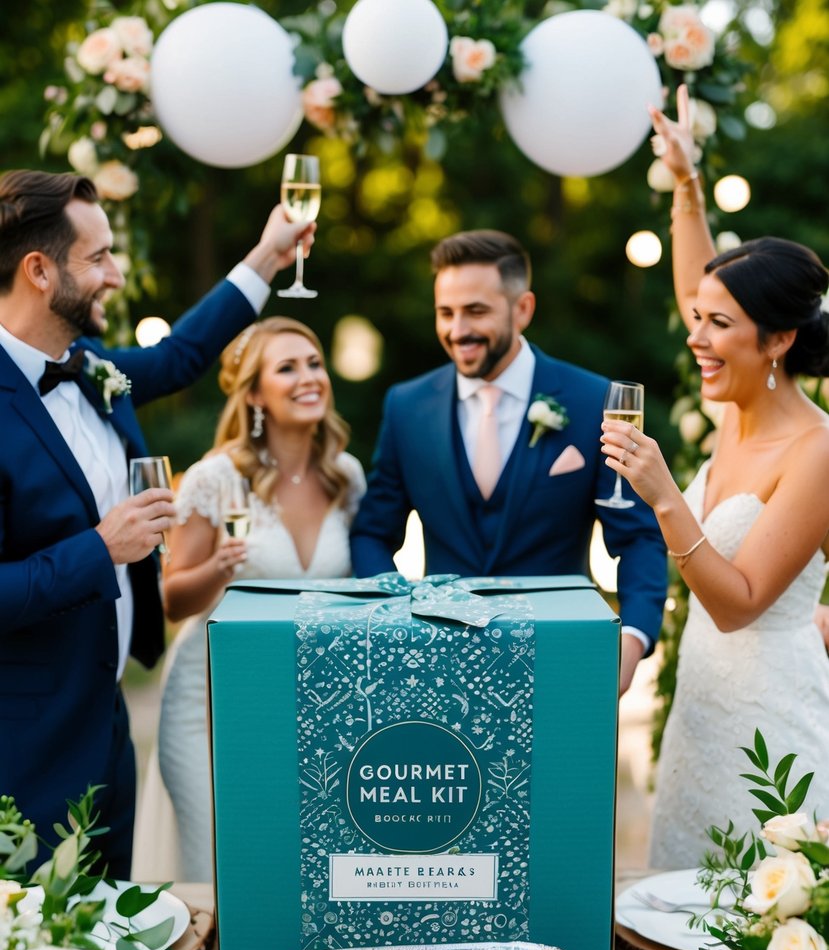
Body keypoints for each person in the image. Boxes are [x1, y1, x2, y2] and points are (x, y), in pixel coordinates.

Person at [0, 168, 314, 876]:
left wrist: (269, 255)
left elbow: (180, 357)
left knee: (112, 949)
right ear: (40, 271)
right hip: (26, 743)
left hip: (107, 721)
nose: (115, 274)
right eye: (99, 257)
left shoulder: (88, 367)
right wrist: (101, 548)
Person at [601, 86, 829, 867]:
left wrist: (664, 496)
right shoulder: (734, 400)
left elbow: (736, 604)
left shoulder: (815, 451)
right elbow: (700, 283)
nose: (696, 337)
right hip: (698, 713)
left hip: (772, 730)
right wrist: (685, 184)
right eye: (696, 318)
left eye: (717, 325)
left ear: (777, 340)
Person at [349, 229, 667, 695]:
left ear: (523, 309)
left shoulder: (590, 400)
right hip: (437, 666)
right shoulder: (406, 407)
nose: (457, 331)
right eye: (445, 312)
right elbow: (372, 531)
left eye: (476, 311)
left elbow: (637, 537)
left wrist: (632, 640)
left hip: (561, 662)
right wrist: (399, 614)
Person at [153, 318, 364, 881]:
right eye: (287, 368)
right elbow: (171, 599)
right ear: (253, 393)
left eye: (314, 363)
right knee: (216, 864)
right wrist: (218, 569)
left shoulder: (345, 477)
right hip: (212, 697)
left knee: (287, 867)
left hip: (305, 699)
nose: (308, 377)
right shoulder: (217, 477)